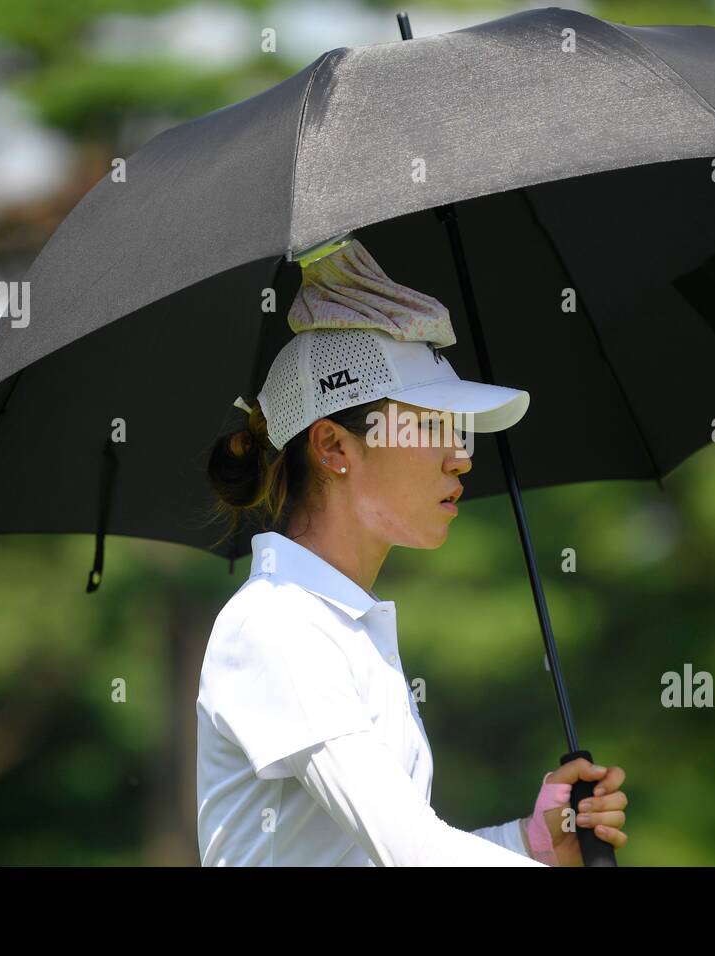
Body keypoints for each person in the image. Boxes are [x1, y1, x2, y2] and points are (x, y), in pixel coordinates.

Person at [195, 238, 627, 866]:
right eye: (429, 426)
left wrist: (534, 845)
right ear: (334, 447)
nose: (462, 455)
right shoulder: (276, 624)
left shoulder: (337, 623)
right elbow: (413, 855)